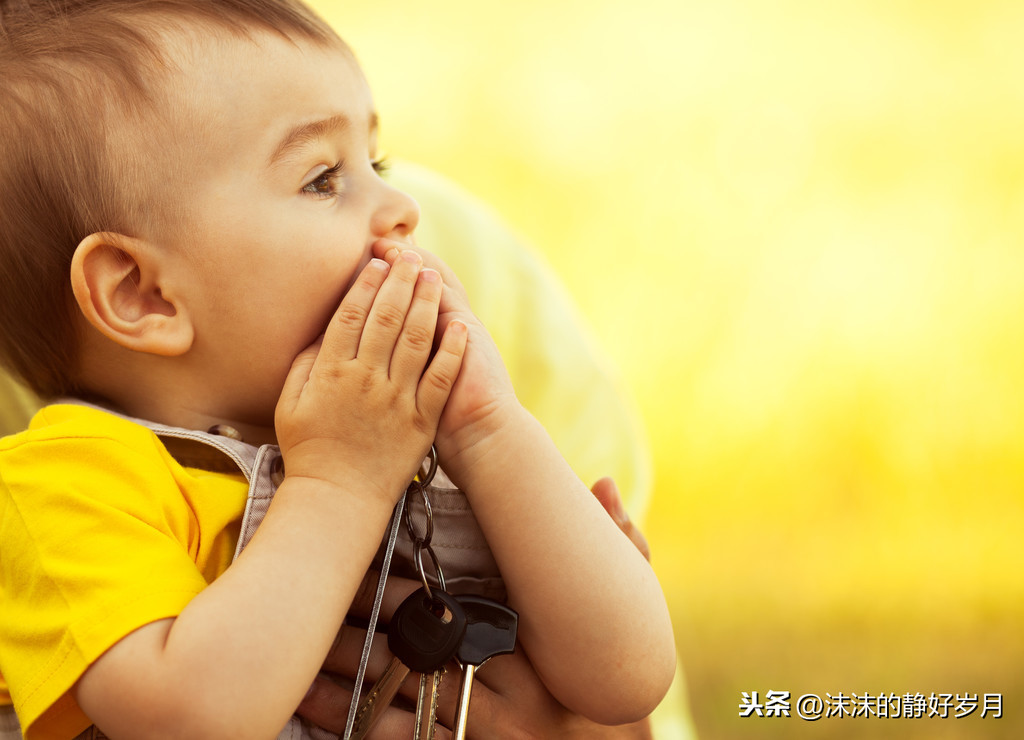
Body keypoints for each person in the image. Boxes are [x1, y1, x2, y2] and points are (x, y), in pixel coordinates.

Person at [0, 1, 678, 738]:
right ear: (143, 294)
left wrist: (490, 429)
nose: (401, 207)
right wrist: (338, 481)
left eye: (376, 163)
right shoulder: (63, 492)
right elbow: (192, 721)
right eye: (322, 178)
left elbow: (623, 684)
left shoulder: (436, 444)